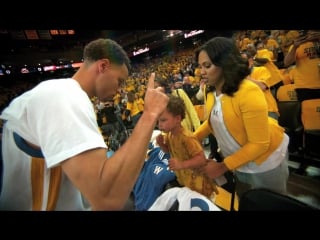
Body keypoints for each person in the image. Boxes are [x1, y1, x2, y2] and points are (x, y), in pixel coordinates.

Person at [0, 38, 169, 211]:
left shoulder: (57, 92)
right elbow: (108, 199)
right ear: (103, 66)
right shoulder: (64, 97)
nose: (119, 89)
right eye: (119, 81)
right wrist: (149, 115)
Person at [193, 37, 289, 199]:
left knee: (271, 203)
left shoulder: (248, 91)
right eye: (200, 66)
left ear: (225, 63)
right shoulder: (211, 91)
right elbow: (211, 123)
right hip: (239, 162)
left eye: (207, 66)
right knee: (247, 202)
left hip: (264, 162)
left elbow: (259, 144)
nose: (201, 72)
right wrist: (190, 138)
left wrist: (223, 166)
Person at [156, 95, 218, 199]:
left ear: (177, 119)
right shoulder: (170, 135)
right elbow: (169, 151)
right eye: (158, 121)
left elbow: (201, 159)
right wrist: (162, 144)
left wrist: (181, 164)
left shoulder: (187, 138)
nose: (159, 125)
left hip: (199, 187)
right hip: (186, 182)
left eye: (163, 120)